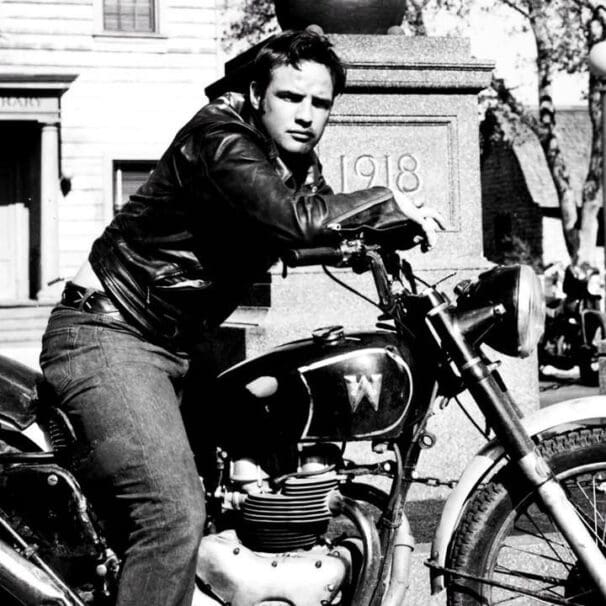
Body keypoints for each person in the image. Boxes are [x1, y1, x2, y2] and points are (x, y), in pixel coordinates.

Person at [40, 29, 443, 606]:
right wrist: (382, 199)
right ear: (256, 92)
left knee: (248, 467)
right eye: (290, 97)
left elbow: (314, 233)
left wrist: (384, 236)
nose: (306, 115)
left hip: (179, 343)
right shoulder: (220, 139)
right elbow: (291, 219)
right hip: (110, 334)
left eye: (320, 103)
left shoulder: (294, 163)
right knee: (173, 512)